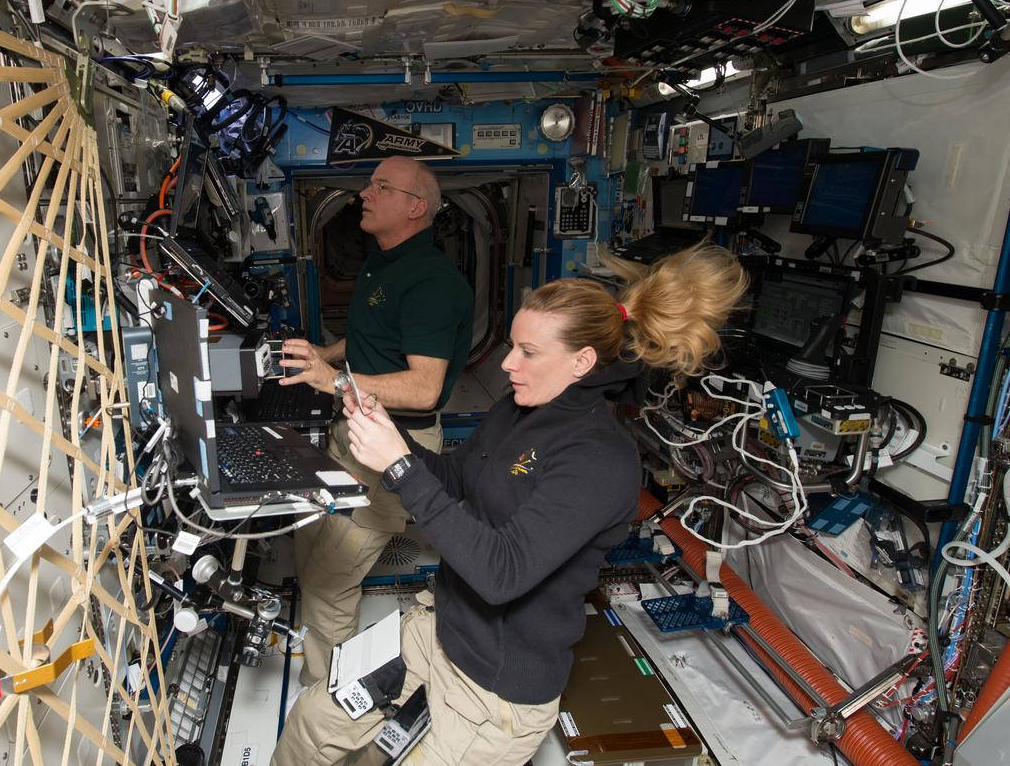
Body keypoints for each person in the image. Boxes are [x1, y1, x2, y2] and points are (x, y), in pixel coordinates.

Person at [272, 244, 749, 766]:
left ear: (582, 361)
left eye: (527, 351)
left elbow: (502, 572)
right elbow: (457, 478)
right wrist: (393, 448)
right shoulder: (520, 408)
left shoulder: (600, 459)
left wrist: (402, 469)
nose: (506, 363)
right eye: (511, 345)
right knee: (311, 724)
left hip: (494, 691)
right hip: (438, 628)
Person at [277, 155, 474, 688]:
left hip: (393, 445)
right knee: (308, 541)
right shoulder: (381, 261)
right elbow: (371, 338)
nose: (365, 192)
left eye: (380, 186)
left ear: (415, 207)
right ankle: (323, 670)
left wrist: (332, 381)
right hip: (353, 434)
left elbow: (423, 387)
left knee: (328, 584)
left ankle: (328, 699)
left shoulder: (433, 282)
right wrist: (327, 354)